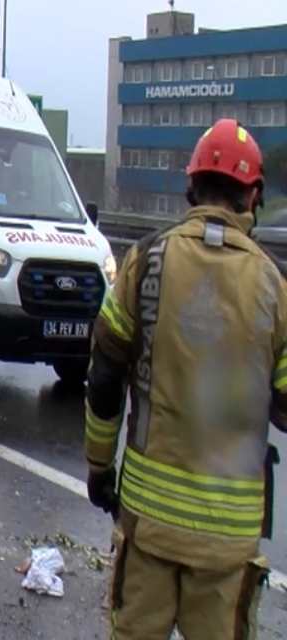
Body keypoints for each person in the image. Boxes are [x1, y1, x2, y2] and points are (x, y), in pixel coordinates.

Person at [84, 118, 283, 638]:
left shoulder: (144, 262)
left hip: (149, 522)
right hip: (229, 538)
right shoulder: (274, 286)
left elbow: (104, 377)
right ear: (253, 194)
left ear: (190, 187)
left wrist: (99, 467)